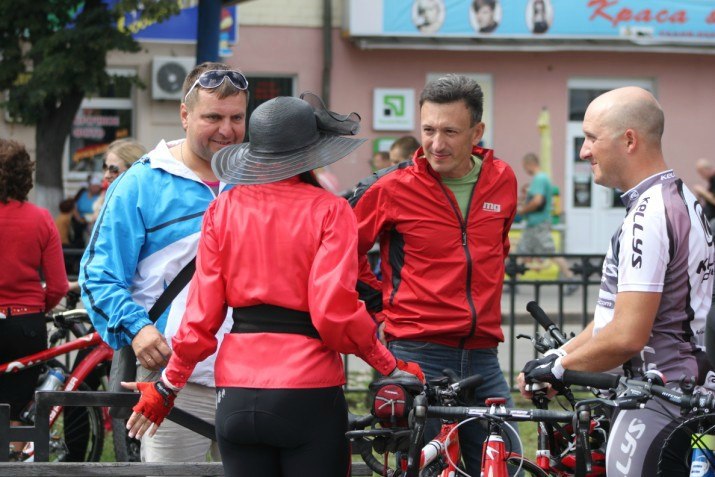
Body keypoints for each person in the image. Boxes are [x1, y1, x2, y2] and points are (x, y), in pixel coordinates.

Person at [122, 93, 423, 477]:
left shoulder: (223, 209)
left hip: (234, 394)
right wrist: (390, 366)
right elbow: (334, 313)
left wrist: (168, 386)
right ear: (311, 153)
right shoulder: (330, 210)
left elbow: (200, 317)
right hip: (306, 392)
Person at [518, 86, 715, 476]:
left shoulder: (650, 216)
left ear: (629, 140)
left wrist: (559, 369)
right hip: (675, 392)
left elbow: (626, 336)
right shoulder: (676, 198)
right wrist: (559, 358)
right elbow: (610, 320)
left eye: (591, 138)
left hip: (659, 398)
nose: (583, 151)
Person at [80, 61, 250, 470]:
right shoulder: (142, 182)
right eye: (213, 117)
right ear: (185, 114)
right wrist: (137, 329)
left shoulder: (258, 178)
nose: (226, 130)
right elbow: (99, 276)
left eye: (237, 118)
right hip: (174, 377)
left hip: (253, 375)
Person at [349, 74, 518, 474]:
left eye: (450, 132)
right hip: (417, 353)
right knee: (423, 469)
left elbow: (497, 249)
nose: (436, 144)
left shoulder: (503, 179)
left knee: (507, 464)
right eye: (428, 130)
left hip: (484, 356)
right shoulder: (392, 187)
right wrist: (378, 309)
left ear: (477, 131)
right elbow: (341, 253)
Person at [0, 139, 69, 458]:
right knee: (17, 406)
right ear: (25, 175)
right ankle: (12, 462)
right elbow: (57, 285)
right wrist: (38, 306)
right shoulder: (41, 219)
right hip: (26, 323)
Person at [516, 152, 578, 294]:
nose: (525, 170)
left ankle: (571, 279)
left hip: (538, 224)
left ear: (529, 164)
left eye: (524, 166)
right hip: (535, 224)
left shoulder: (539, 179)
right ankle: (513, 282)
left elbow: (537, 201)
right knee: (522, 251)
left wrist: (523, 210)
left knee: (550, 252)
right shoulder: (543, 178)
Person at [90, 138, 147, 224]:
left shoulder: (144, 204)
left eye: (113, 169)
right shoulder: (107, 199)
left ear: (133, 170)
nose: (106, 175)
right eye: (105, 168)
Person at [693, 157, 715, 231]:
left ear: (707, 169)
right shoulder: (711, 182)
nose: (701, 176)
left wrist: (702, 191)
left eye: (701, 172)